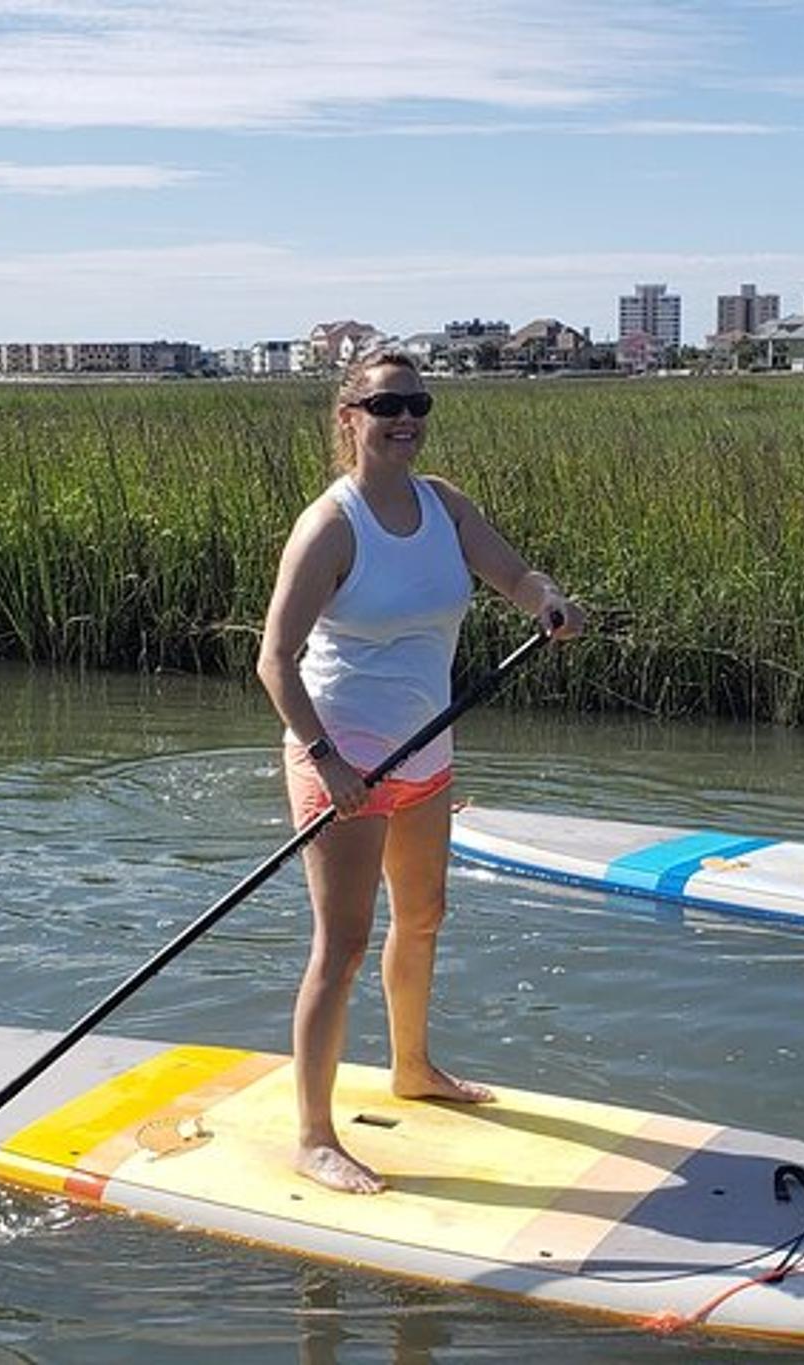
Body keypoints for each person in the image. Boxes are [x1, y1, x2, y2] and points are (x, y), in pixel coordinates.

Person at [257, 347, 584, 1194]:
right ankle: (314, 1135)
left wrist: (547, 600)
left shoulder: (445, 505)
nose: (405, 418)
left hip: (426, 755)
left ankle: (413, 1067)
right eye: (386, 405)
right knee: (343, 945)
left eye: (418, 404)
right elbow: (275, 660)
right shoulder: (331, 526)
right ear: (350, 417)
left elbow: (514, 575)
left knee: (426, 916)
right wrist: (327, 760)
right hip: (343, 762)